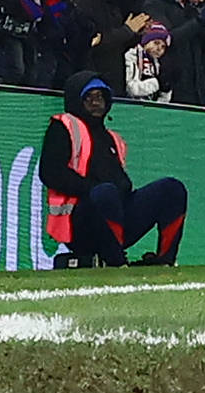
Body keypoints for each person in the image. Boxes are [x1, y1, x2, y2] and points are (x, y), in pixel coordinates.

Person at [41, 72, 186, 268]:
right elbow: (50, 172)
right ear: (77, 100)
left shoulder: (113, 138)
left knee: (172, 189)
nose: (95, 102)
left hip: (117, 213)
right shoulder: (63, 126)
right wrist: (92, 188)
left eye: (100, 97)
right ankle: (116, 263)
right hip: (80, 222)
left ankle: (165, 262)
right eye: (89, 97)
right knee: (106, 193)